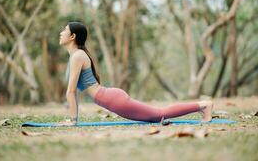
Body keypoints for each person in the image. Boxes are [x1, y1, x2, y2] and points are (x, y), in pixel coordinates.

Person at [57, 22, 213, 126]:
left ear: (73, 37)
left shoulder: (77, 56)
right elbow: (72, 93)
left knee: (160, 115)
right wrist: (73, 119)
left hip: (112, 99)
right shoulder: (76, 56)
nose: (61, 33)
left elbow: (71, 92)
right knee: (157, 114)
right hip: (111, 98)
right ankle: (201, 106)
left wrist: (73, 120)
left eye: (64, 30)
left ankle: (203, 105)